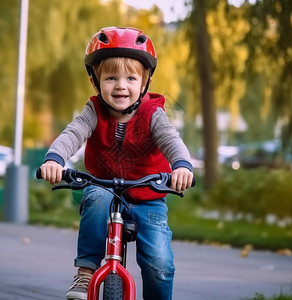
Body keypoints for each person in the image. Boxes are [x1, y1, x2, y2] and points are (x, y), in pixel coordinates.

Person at [39, 26, 194, 300]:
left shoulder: (152, 114)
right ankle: (86, 274)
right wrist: (55, 159)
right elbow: (73, 134)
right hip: (104, 189)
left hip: (149, 196)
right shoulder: (93, 111)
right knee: (96, 198)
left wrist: (181, 165)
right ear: (96, 82)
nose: (121, 85)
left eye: (131, 78)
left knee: (159, 262)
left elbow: (170, 139)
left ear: (144, 82)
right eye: (111, 77)